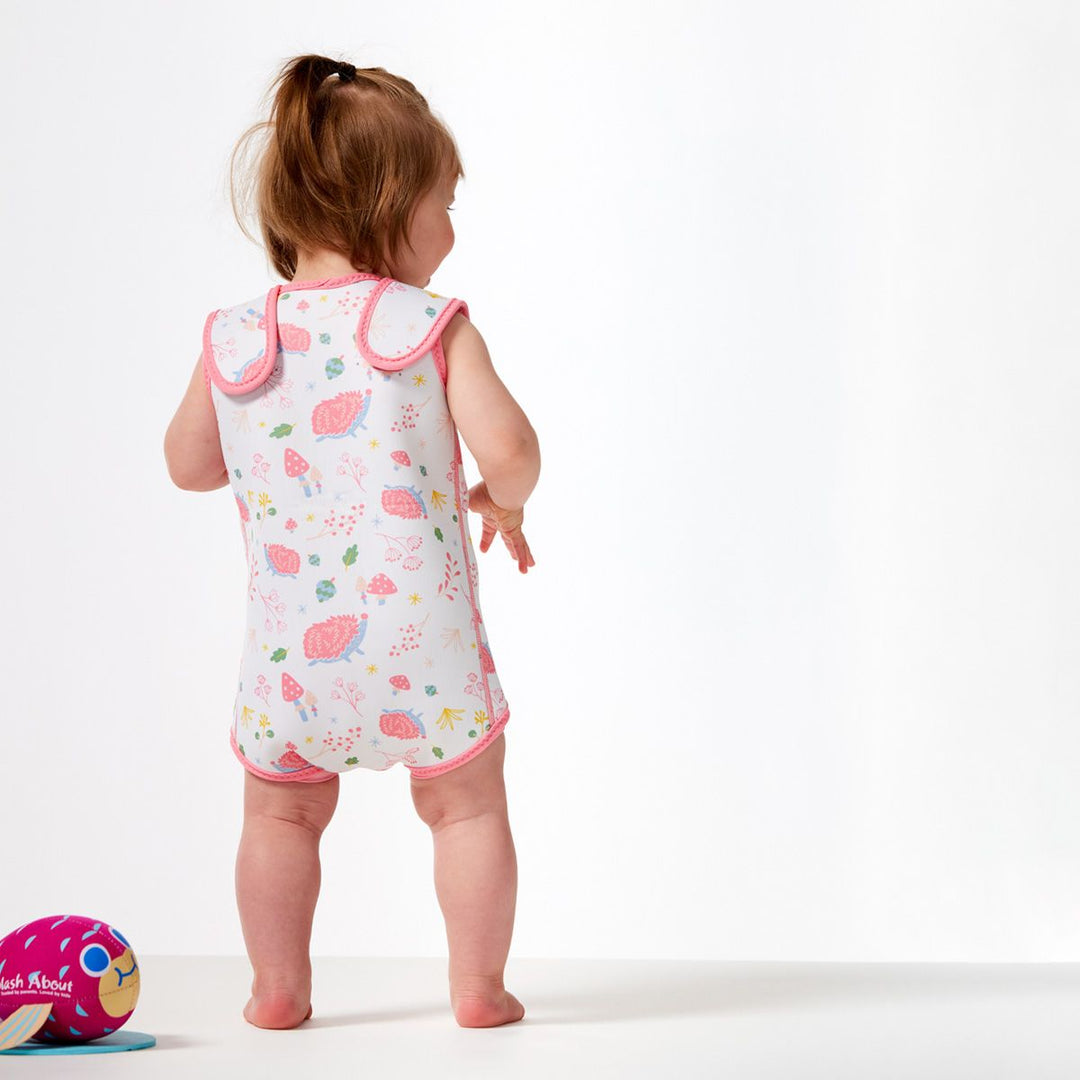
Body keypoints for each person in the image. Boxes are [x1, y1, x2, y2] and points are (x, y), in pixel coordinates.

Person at [162, 54, 539, 1032]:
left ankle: (277, 989)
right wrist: (504, 496)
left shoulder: (239, 338)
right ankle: (478, 988)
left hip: (295, 661)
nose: (452, 229)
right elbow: (514, 447)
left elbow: (190, 464)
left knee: (279, 818)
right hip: (424, 651)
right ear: (389, 204)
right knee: (467, 810)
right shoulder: (428, 327)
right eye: (444, 202)